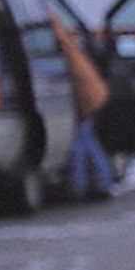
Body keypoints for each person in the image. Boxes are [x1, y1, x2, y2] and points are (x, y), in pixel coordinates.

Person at [49, 14, 113, 199]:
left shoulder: (61, 46)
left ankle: (80, 186)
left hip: (86, 97)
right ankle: (99, 183)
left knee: (80, 143)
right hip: (92, 92)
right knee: (86, 141)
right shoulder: (65, 40)